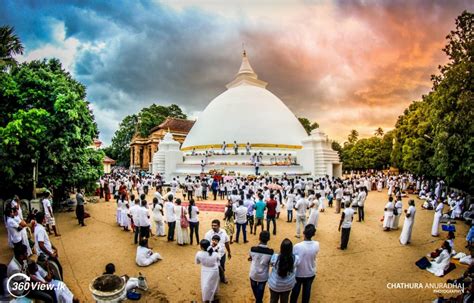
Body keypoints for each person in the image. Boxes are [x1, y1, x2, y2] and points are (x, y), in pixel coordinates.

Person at [290, 224, 319, 303]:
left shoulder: (297, 246)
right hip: (310, 272)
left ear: (304, 233)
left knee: (295, 293)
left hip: (298, 273)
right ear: (313, 234)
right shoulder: (317, 244)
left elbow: (293, 258)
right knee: (306, 293)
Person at [268, 239, 299, 303]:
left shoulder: (275, 257)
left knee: (273, 300)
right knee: (285, 300)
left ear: (281, 248)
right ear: (291, 249)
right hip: (288, 285)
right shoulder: (296, 258)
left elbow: (270, 264)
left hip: (275, 284)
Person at [34, 212, 63, 278]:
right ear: (42, 219)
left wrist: (54, 248)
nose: (46, 219)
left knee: (54, 270)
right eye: (44, 218)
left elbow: (46, 241)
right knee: (58, 269)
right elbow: (41, 245)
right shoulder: (40, 230)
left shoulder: (38, 227)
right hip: (46, 255)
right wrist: (50, 254)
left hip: (46, 253)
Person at [248, 231, 273, 303]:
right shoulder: (271, 252)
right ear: (268, 239)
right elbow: (270, 262)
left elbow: (250, 257)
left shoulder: (252, 249)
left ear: (259, 238)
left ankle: (258, 300)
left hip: (253, 272)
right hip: (263, 275)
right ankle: (259, 301)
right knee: (261, 290)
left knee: (254, 287)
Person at [205, 220, 232, 284]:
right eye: (212, 225)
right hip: (212, 255)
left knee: (222, 266)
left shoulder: (223, 232)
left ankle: (222, 278)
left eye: (215, 225)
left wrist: (229, 252)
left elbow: (226, 243)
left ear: (219, 226)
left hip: (222, 254)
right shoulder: (208, 234)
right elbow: (206, 246)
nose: (213, 227)